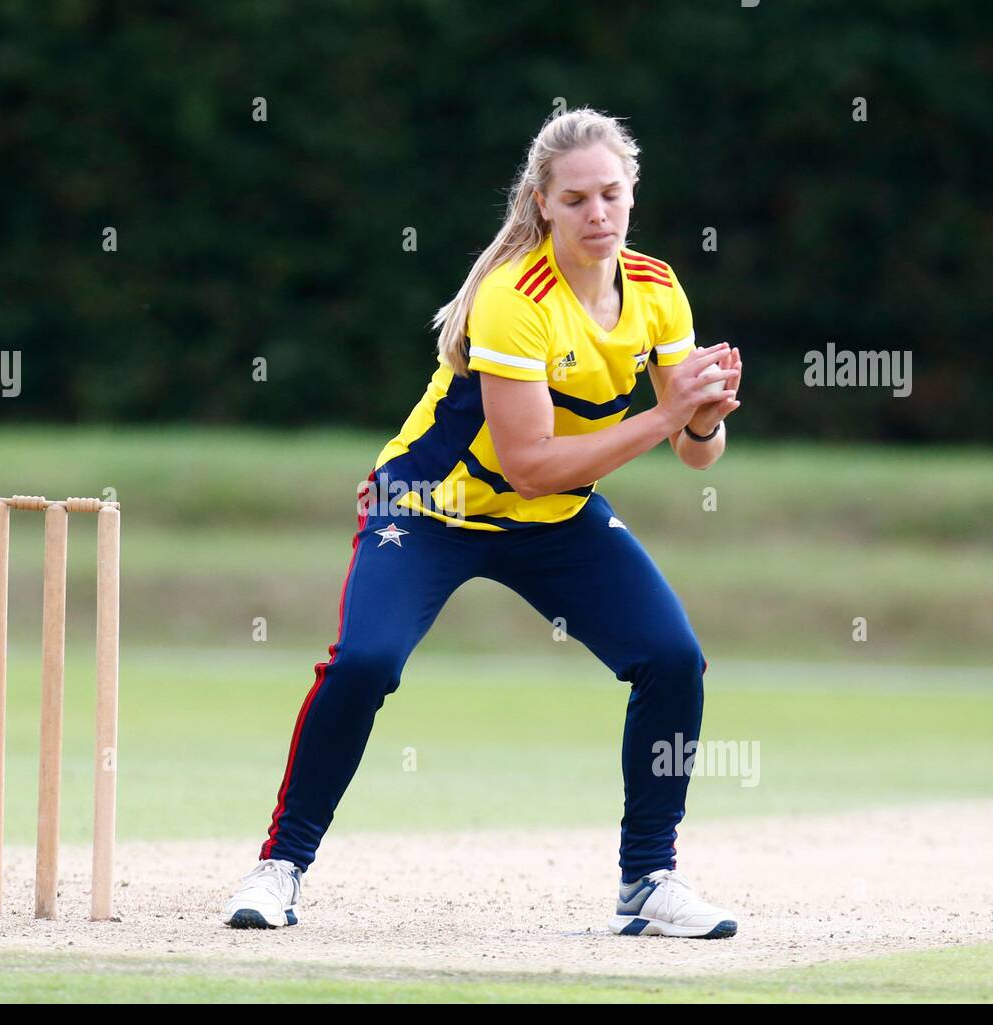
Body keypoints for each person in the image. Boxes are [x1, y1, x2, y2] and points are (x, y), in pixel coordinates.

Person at [222, 107, 743, 938]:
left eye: (611, 194)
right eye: (575, 200)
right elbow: (527, 460)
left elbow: (695, 455)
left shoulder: (656, 287)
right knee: (365, 662)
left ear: (633, 193)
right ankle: (279, 866)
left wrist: (703, 420)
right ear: (542, 204)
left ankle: (648, 882)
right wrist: (664, 417)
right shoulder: (515, 297)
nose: (597, 215)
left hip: (554, 518)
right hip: (430, 509)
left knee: (674, 658)